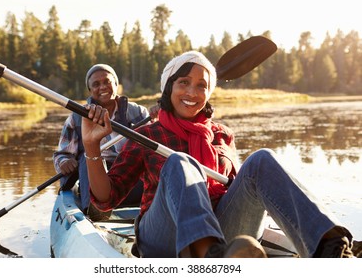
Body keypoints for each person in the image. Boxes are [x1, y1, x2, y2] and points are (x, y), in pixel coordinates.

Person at [80, 51, 355, 258]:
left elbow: (238, 189)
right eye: (184, 82)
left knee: (261, 159)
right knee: (181, 161)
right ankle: (208, 257)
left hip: (223, 228)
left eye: (202, 85)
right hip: (162, 235)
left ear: (208, 93)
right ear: (169, 88)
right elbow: (105, 201)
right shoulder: (147, 135)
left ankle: (332, 248)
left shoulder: (222, 133)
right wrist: (91, 147)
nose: (192, 92)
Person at [53, 64, 149, 218]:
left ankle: (155, 206)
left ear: (116, 85)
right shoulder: (76, 117)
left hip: (130, 178)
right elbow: (61, 155)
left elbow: (153, 150)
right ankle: (94, 211)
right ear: (90, 91)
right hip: (97, 179)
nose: (102, 87)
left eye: (107, 82)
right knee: (86, 157)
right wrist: (64, 162)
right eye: (96, 84)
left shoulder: (139, 112)